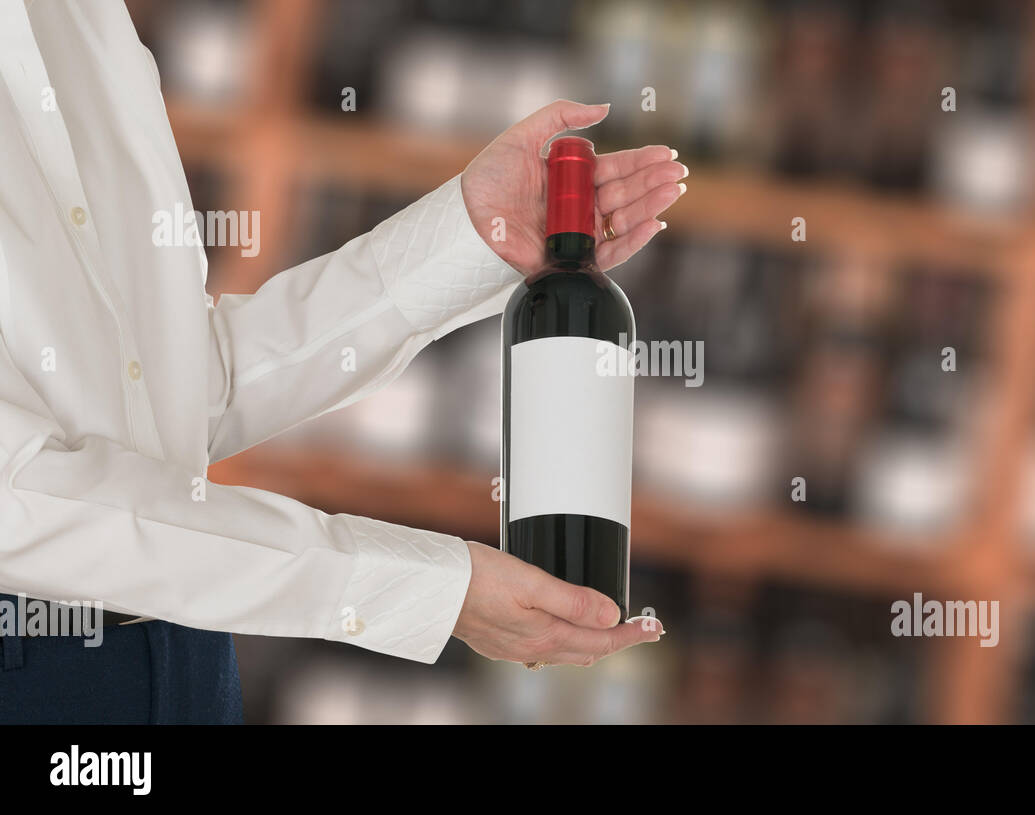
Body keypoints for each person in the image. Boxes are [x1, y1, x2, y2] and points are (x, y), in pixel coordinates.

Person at [0, 0, 682, 724]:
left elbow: (167, 394)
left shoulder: (79, 16)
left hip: (187, 649)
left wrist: (465, 239)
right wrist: (416, 589)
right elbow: (22, 506)